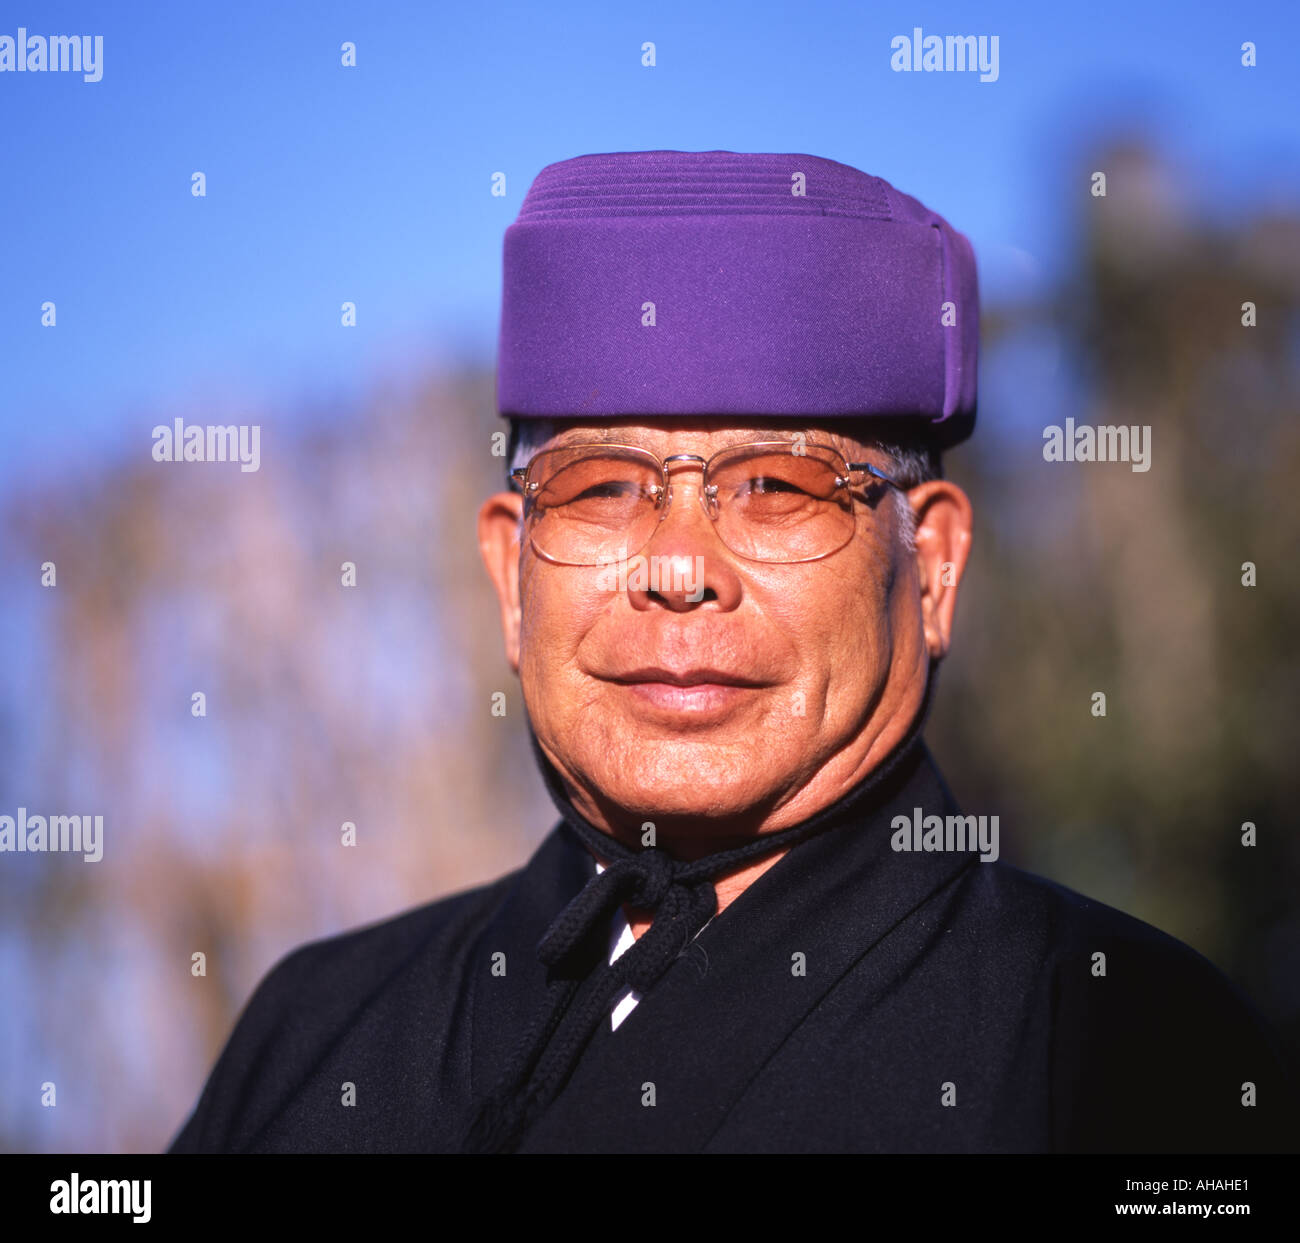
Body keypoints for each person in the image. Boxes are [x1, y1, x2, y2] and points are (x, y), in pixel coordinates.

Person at [168, 150, 1293, 1153]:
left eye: (777, 488)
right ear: (512, 578)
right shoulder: (317, 1031)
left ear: (934, 565)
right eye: (604, 488)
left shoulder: (1108, 1039)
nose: (676, 566)